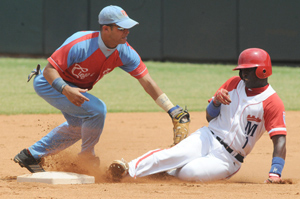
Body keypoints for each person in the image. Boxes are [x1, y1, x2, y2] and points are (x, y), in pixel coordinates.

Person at [13, 5, 188, 173]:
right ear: (106, 29)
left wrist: (171, 110)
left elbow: (147, 82)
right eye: (122, 28)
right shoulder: (80, 44)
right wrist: (66, 89)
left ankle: (31, 156)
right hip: (51, 83)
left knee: (78, 127)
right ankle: (86, 157)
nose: (127, 31)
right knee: (97, 110)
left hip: (74, 88)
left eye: (128, 28)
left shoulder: (125, 52)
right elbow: (49, 70)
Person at [108, 48, 287, 184]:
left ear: (262, 70)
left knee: (190, 173)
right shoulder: (234, 84)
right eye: (242, 69)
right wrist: (215, 102)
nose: (243, 73)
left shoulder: (272, 102)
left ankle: (166, 172)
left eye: (248, 69)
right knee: (172, 155)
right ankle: (127, 168)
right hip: (208, 137)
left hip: (229, 159)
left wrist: (275, 172)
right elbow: (210, 117)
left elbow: (279, 139)